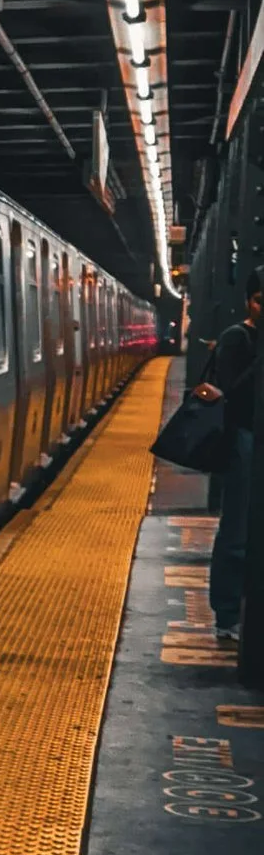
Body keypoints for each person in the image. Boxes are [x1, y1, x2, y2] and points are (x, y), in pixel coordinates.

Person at [189, 271, 262, 637]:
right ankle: (227, 614)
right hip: (243, 441)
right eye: (260, 301)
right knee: (237, 528)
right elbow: (231, 392)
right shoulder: (237, 337)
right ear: (249, 301)